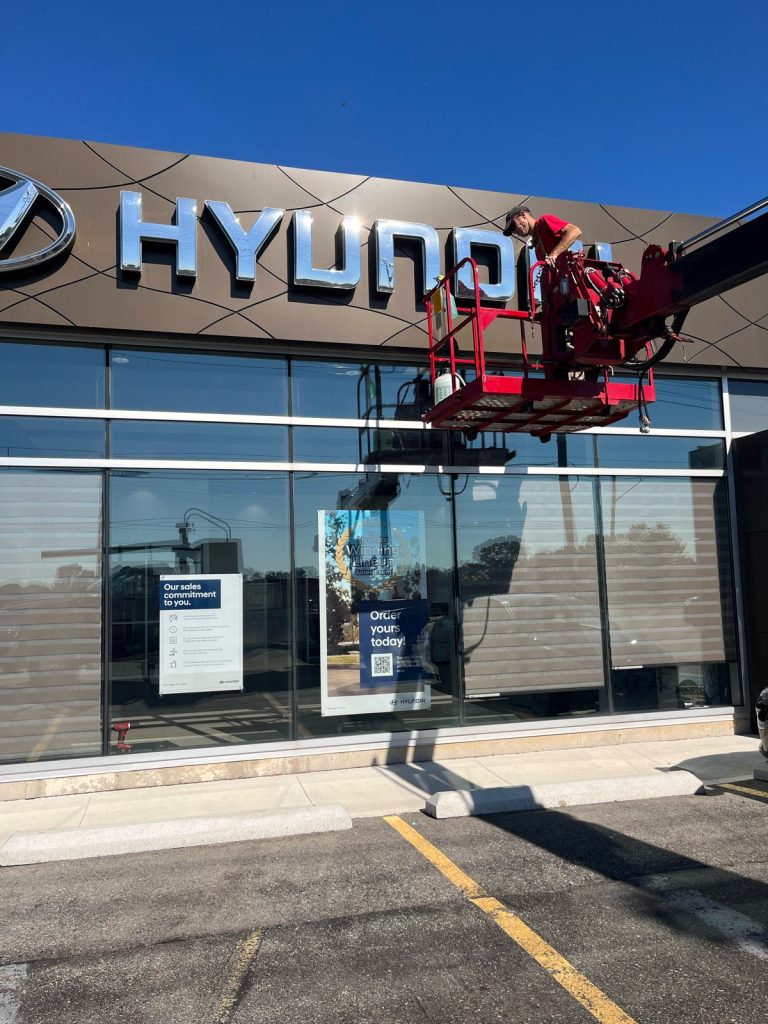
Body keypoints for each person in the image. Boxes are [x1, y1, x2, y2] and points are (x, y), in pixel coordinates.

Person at [502, 205, 582, 268]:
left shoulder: (544, 221)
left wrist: (554, 254)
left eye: (513, 226)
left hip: (573, 275)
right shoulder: (536, 244)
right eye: (512, 230)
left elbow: (575, 231)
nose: (514, 231)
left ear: (523, 215)